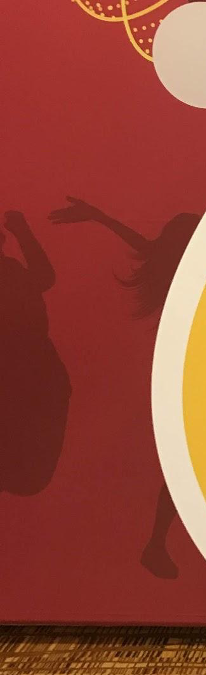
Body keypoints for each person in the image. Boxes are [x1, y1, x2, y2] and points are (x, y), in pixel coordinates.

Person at [49, 197, 201, 578]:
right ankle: (163, 542)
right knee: (193, 463)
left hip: (185, 372)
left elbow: (140, 242)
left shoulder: (177, 267)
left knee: (191, 463)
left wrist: (100, 214)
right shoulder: (194, 272)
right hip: (193, 374)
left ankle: (160, 542)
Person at [0, 210, 71, 496]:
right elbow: (45, 277)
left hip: (31, 367)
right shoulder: (12, 271)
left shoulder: (11, 271)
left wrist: (22, 230)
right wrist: (22, 229)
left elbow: (44, 277)